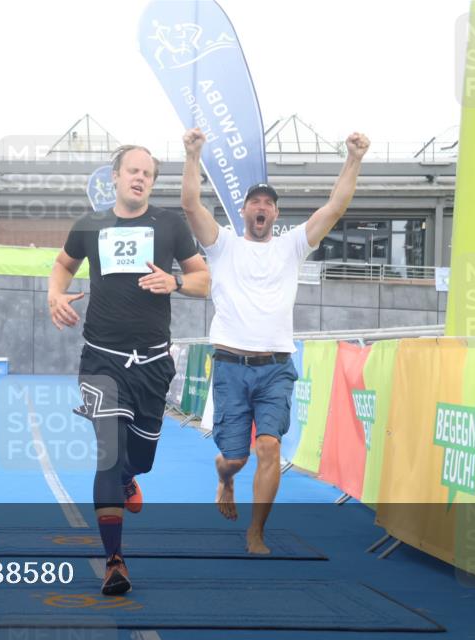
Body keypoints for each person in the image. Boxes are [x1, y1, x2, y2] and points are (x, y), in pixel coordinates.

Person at [181, 127, 370, 554]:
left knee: (268, 447)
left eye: (268, 203)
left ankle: (256, 531)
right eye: (255, 202)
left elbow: (335, 207)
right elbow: (190, 204)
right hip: (230, 366)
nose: (261, 207)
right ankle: (225, 478)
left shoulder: (291, 247)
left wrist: (354, 158)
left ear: (275, 214)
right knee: (235, 457)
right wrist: (193, 154)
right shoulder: (223, 246)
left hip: (276, 369)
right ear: (244, 211)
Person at [48, 143, 210, 595]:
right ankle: (114, 560)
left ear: (152, 183)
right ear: (115, 177)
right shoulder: (91, 224)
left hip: (154, 363)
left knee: (139, 459)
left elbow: (203, 280)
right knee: (109, 453)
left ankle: (129, 478)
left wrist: (175, 280)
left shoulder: (170, 224)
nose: (139, 178)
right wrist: (55, 295)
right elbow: (62, 266)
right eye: (132, 171)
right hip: (101, 359)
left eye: (148, 174)